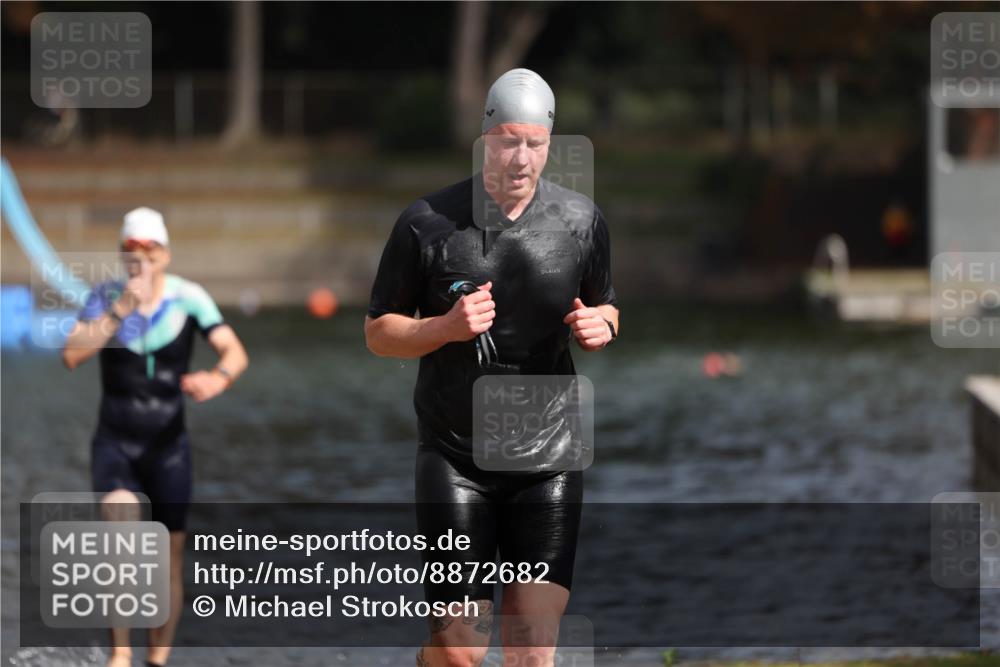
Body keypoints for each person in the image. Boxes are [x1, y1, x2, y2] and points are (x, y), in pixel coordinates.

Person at [365, 68, 618, 667]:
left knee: (532, 648)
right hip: (457, 457)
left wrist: (602, 326)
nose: (521, 157)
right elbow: (378, 333)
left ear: (550, 143)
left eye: (535, 142)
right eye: (508, 139)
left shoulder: (581, 222)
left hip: (549, 458)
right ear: (485, 138)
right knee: (460, 651)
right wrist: (444, 328)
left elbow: (607, 306)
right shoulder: (427, 223)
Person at [62, 207, 249, 667]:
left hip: (168, 446)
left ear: (165, 254)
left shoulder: (190, 297)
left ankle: (156, 659)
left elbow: (234, 350)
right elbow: (71, 354)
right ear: (122, 256)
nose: (141, 258)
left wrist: (217, 379)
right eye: (131, 249)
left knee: (168, 558)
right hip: (116, 442)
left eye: (150, 249)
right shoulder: (103, 297)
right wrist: (121, 308)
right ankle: (120, 653)